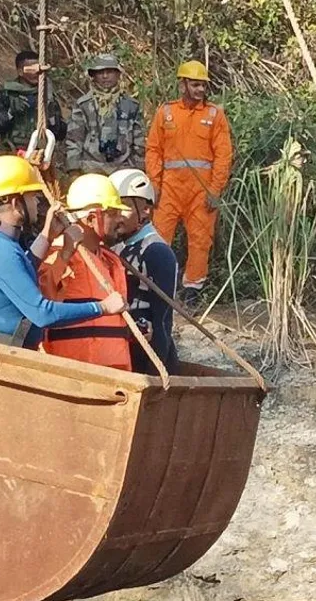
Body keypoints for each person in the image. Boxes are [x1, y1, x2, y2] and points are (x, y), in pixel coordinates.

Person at [0, 155, 125, 346]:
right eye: (32, 197)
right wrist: (102, 307)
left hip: (7, 348)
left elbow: (20, 272)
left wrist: (48, 236)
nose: (37, 203)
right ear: (16, 203)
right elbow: (43, 313)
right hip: (4, 352)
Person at [145, 60, 233, 308]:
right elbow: (153, 150)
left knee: (200, 240)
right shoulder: (166, 112)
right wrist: (155, 185)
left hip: (201, 191)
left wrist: (215, 190)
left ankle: (192, 290)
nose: (200, 90)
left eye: (203, 85)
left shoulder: (214, 115)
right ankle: (157, 287)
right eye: (195, 85)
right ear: (182, 85)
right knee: (158, 237)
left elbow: (223, 155)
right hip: (169, 189)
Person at [37, 173, 132, 371]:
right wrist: (64, 255)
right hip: (76, 374)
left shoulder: (110, 261)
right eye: (113, 213)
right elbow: (42, 300)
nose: (120, 219)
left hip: (114, 373)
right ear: (91, 219)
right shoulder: (59, 256)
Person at [110, 168, 179, 375]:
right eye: (112, 209)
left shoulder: (156, 251)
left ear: (146, 210)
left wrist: (156, 374)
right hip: (123, 350)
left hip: (147, 357)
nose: (116, 216)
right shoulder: (116, 247)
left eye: (124, 207)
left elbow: (162, 320)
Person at [66, 54, 145, 175]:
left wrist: (139, 170)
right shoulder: (84, 104)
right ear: (93, 76)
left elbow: (139, 141)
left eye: (110, 72)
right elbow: (75, 139)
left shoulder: (131, 105)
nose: (105, 76)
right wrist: (74, 170)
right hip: (90, 168)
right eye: (100, 72)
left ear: (118, 74)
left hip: (124, 168)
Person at [0, 49, 67, 151]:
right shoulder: (6, 95)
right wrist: (10, 113)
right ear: (20, 71)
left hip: (40, 154)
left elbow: (60, 134)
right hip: (12, 153)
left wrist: (52, 116)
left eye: (38, 68)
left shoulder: (46, 96)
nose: (37, 72)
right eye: (32, 69)